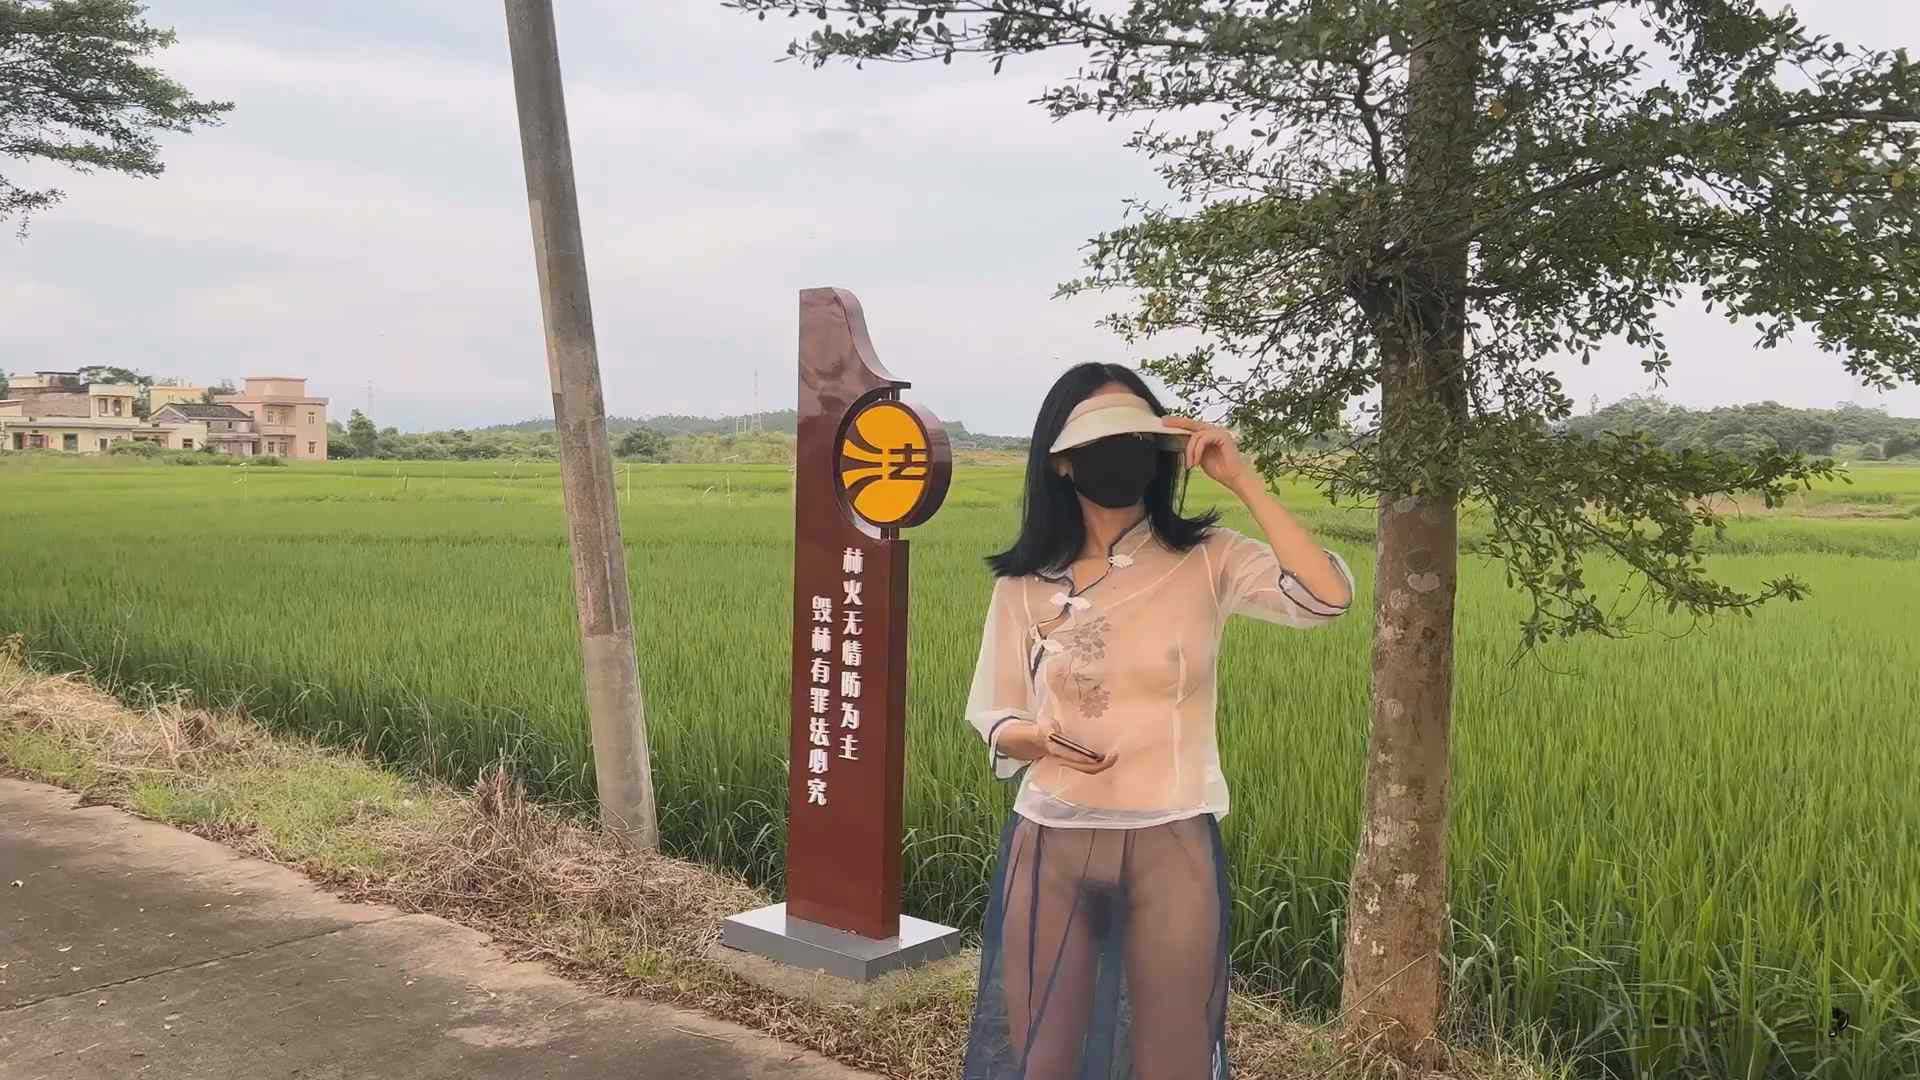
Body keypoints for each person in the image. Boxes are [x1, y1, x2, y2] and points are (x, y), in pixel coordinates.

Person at [961, 363, 1356, 1080]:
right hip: (1051, 841)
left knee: (1172, 1060)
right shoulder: (1026, 581)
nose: (1123, 452)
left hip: (1170, 842)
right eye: (1102, 438)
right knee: (1043, 1060)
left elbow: (1325, 597)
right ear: (1061, 460)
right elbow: (995, 711)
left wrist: (1243, 480)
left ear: (1161, 450)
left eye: (1138, 436)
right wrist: (1037, 738)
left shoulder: (1208, 558)